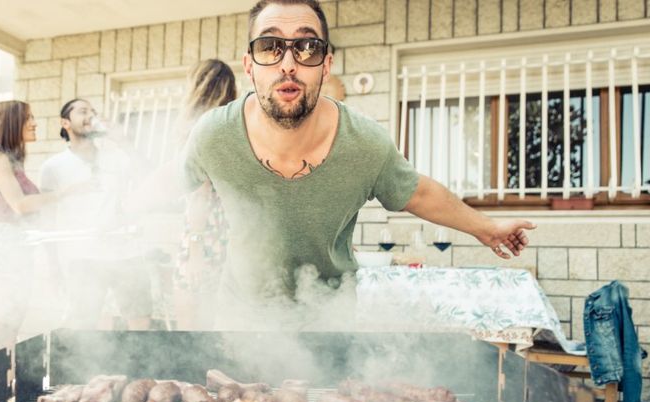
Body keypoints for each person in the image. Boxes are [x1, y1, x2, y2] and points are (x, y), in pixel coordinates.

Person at [181, 0, 537, 330]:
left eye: (307, 48)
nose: (288, 64)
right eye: (269, 47)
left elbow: (419, 192)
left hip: (329, 322)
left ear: (326, 65)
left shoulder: (365, 143)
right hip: (240, 322)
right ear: (249, 66)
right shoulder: (213, 135)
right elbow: (175, 188)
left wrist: (486, 228)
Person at [0, 100, 84, 360]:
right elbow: (20, 205)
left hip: (18, 256)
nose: (34, 123)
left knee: (9, 337)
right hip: (1, 257)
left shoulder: (11, 162)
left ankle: (5, 397)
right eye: (28, 118)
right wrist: (64, 193)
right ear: (10, 123)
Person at [40, 98, 153, 330]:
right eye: (82, 111)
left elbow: (148, 177)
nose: (91, 115)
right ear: (65, 123)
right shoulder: (53, 167)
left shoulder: (117, 157)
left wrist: (123, 141)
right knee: (83, 328)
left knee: (140, 320)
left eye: (93, 111)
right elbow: (47, 220)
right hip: (84, 258)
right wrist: (52, 265)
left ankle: (140, 366)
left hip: (127, 253)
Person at [172, 59, 237, 330]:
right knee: (216, 324)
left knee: (190, 329)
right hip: (226, 234)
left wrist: (195, 248)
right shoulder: (230, 129)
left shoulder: (197, 130)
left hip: (203, 232)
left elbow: (201, 193)